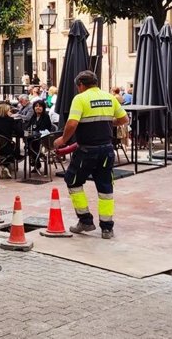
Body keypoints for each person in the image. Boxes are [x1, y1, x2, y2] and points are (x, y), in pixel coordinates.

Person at [53, 70, 129, 240]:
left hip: (87, 150)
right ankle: (107, 228)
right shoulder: (109, 97)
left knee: (72, 180)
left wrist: (63, 139)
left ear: (81, 84)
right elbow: (124, 120)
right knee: (105, 188)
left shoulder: (80, 99)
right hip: (107, 150)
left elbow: (72, 123)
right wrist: (109, 123)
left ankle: (85, 220)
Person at [0, 103, 22, 178]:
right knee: (15, 148)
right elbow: (20, 133)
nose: (10, 112)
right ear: (5, 111)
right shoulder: (10, 120)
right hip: (4, 148)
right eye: (9, 110)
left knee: (11, 146)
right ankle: (5, 165)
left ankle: (3, 166)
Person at [26, 100, 54, 172]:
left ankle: (36, 162)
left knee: (32, 143)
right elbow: (28, 127)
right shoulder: (33, 116)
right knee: (28, 141)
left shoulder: (46, 116)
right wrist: (26, 133)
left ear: (43, 108)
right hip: (34, 138)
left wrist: (31, 133)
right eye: (36, 106)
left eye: (40, 106)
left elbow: (43, 129)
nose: (38, 108)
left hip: (43, 139)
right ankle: (35, 161)